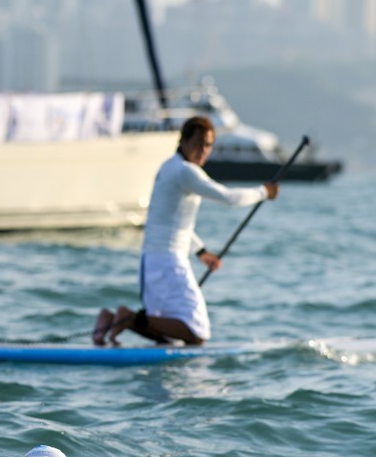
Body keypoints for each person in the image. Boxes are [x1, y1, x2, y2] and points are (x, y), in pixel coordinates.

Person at [93, 115, 279, 346]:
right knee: (196, 332)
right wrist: (264, 192)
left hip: (152, 261)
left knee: (171, 335)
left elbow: (171, 223)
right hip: (167, 263)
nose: (203, 150)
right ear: (183, 141)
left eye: (208, 145)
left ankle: (110, 320)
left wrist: (200, 251)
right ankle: (128, 319)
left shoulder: (169, 166)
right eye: (198, 142)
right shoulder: (185, 171)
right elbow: (229, 198)